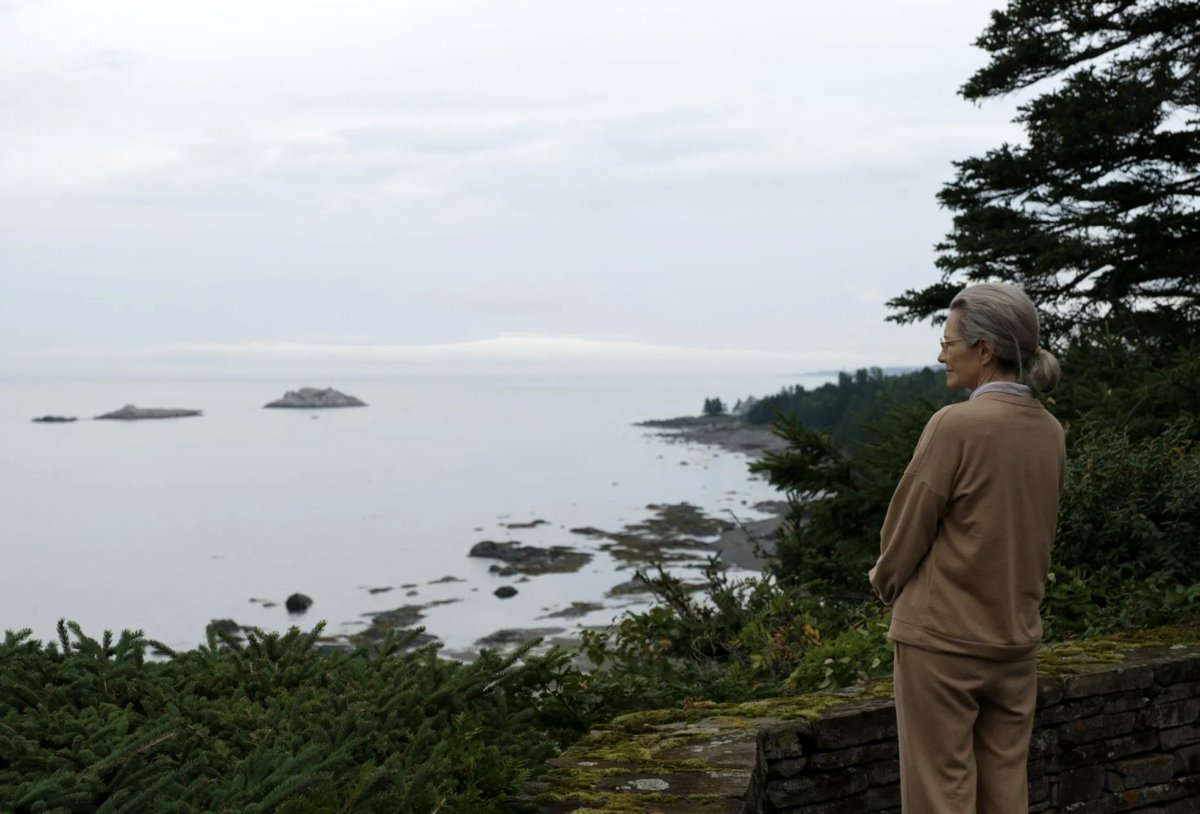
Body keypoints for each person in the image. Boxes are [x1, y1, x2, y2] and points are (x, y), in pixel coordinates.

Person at [869, 283, 1065, 814]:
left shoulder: (955, 425)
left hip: (942, 642)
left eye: (947, 342)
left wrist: (885, 583)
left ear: (983, 350)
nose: (941, 355)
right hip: (1014, 641)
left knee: (940, 794)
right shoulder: (1050, 431)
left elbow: (905, 531)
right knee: (1005, 790)